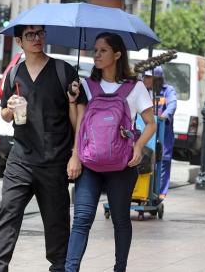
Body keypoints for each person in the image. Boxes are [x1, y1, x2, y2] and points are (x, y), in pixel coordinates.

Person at [0, 24, 86, 272]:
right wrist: (10, 107)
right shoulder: (14, 74)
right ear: (19, 41)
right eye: (30, 35)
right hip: (20, 158)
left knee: (56, 221)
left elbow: (80, 120)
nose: (37, 38)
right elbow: (6, 115)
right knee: (8, 213)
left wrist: (76, 154)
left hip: (54, 159)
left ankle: (60, 267)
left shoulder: (64, 71)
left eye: (40, 33)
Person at [65, 32, 156, 272]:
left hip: (122, 165)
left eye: (102, 50)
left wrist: (137, 146)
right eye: (95, 50)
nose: (96, 55)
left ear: (117, 55)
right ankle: (70, 269)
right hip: (89, 163)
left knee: (120, 220)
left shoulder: (135, 88)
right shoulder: (86, 85)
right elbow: (79, 125)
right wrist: (73, 101)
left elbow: (151, 123)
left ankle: (120, 268)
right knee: (81, 219)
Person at [142, 66, 177, 200]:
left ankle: (160, 194)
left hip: (163, 134)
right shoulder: (142, 90)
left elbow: (172, 105)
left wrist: (164, 116)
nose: (146, 80)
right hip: (144, 132)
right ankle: (143, 192)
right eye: (145, 77)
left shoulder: (168, 91)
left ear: (157, 79)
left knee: (163, 161)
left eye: (149, 77)